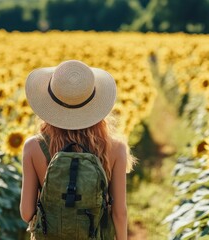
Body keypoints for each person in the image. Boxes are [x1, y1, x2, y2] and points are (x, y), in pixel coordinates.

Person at [20, 60, 136, 240]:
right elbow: (119, 213)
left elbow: (27, 213)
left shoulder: (33, 147)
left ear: (50, 102)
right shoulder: (116, 148)